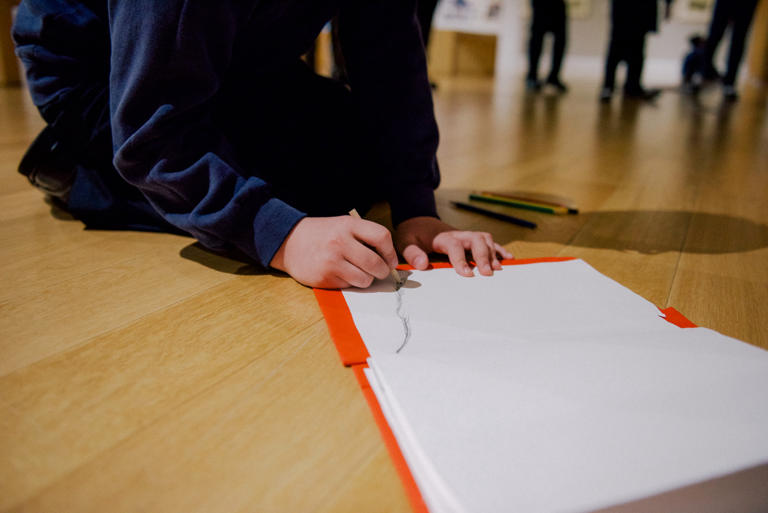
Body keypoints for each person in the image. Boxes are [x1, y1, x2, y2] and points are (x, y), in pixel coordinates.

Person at [13, 0, 512, 290]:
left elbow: (389, 57)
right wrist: (283, 237)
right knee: (297, 202)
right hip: (107, 78)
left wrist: (414, 207)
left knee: (355, 164)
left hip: (239, 61)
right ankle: (85, 174)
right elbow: (154, 131)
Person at [600, 0, 673, 102]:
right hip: (629, 8)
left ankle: (630, 87)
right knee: (621, 47)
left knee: (635, 48)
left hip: (636, 8)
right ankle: (611, 86)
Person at [702, 0, 760, 101]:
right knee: (715, 34)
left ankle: (729, 82)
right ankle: (704, 72)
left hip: (747, 3)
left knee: (738, 39)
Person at [526, 0, 569, 92]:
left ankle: (554, 76)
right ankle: (532, 76)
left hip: (558, 3)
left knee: (560, 39)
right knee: (537, 39)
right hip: (540, 4)